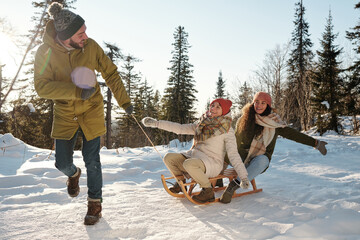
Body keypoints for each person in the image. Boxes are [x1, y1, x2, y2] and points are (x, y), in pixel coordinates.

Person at [33, 2, 133, 225]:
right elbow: (41, 86)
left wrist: (125, 102)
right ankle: (73, 174)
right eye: (80, 33)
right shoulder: (45, 52)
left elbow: (111, 74)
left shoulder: (91, 47)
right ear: (65, 37)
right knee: (61, 163)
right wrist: (76, 91)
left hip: (92, 110)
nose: (85, 36)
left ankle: (95, 204)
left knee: (93, 160)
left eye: (85, 30)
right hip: (65, 112)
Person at [220, 92, 328, 204]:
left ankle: (233, 186)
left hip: (257, 161)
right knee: (222, 147)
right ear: (253, 103)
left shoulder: (274, 123)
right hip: (241, 158)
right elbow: (235, 141)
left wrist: (315, 143)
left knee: (263, 160)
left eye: (263, 103)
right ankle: (215, 180)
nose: (259, 105)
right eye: (256, 102)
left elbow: (294, 135)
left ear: (268, 105)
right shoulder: (245, 119)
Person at [142, 98, 250, 203]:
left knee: (189, 164)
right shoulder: (202, 124)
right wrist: (156, 123)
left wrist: (243, 177)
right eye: (213, 105)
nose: (214, 108)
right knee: (169, 158)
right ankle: (181, 183)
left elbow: (233, 154)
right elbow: (180, 128)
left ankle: (208, 190)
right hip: (194, 157)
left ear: (224, 111)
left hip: (212, 163)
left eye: (218, 107)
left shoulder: (227, 130)